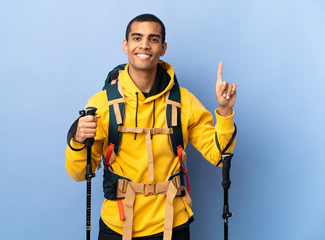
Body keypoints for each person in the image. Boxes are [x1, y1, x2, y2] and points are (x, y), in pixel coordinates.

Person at [65, 14, 237, 240]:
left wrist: (224, 112)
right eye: (137, 38)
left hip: (173, 224)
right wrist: (78, 139)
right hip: (117, 226)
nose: (144, 45)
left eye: (153, 39)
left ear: (163, 48)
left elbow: (219, 154)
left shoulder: (183, 102)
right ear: (126, 45)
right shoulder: (101, 103)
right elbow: (79, 173)